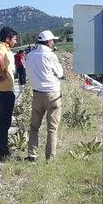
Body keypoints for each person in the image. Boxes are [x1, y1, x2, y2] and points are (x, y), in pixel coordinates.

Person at [25, 30, 64, 162]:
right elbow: (60, 73)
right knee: (52, 128)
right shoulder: (50, 55)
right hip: (52, 93)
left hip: (37, 93)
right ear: (48, 42)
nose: (53, 42)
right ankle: (50, 158)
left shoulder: (29, 55)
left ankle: (32, 155)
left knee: (34, 127)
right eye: (53, 40)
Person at [0, 26, 18, 160]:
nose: (16, 42)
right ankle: (2, 151)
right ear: (7, 39)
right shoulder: (1, 48)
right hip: (4, 90)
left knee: (1, 121)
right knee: (4, 122)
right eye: (14, 39)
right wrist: (2, 72)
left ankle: (0, 149)